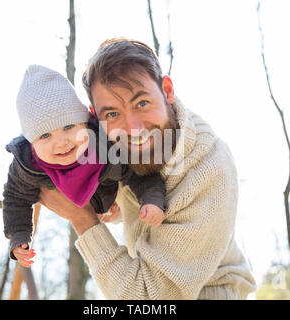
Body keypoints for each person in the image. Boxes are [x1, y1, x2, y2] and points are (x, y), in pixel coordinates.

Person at [38, 38, 257, 299]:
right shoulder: (109, 144)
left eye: (142, 103)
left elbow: (150, 299)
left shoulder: (208, 170)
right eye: (112, 114)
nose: (133, 129)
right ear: (96, 117)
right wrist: (113, 205)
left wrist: (82, 218)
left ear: (167, 90)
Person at [2, 65, 166, 267]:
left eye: (69, 127)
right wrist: (19, 235)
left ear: (85, 123)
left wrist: (152, 200)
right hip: (79, 219)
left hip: (110, 205)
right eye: (45, 135)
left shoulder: (105, 145)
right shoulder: (26, 165)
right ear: (31, 142)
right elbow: (15, 198)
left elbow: (140, 173)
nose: (62, 142)